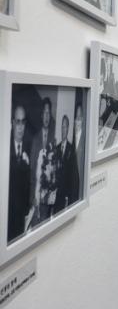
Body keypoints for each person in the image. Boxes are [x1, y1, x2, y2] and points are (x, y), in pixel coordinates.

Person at [8, 105, 32, 242]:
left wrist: (26, 212)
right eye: (18, 121)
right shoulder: (4, 147)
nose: (20, 127)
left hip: (20, 217)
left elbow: (28, 184)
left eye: (23, 122)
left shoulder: (29, 148)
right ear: (12, 122)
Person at [30, 97, 55, 207]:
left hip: (47, 196)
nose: (46, 116)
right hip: (36, 193)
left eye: (48, 113)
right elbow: (31, 170)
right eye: (44, 113)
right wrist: (32, 196)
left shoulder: (53, 139)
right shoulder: (35, 139)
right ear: (41, 115)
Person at [55, 115, 80, 213]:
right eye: (62, 127)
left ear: (68, 129)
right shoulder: (56, 148)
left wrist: (68, 198)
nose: (63, 129)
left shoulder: (71, 150)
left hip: (65, 197)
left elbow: (71, 176)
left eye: (65, 127)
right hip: (55, 196)